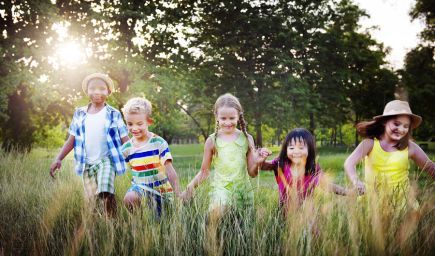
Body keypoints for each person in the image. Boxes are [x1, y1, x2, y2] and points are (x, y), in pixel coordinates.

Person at [181, 93, 269, 253]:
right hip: (221, 190)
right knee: (216, 217)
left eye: (231, 118)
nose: (227, 122)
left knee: (242, 234)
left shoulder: (247, 139)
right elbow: (204, 172)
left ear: (238, 116)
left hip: (243, 191)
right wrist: (189, 188)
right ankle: (213, 248)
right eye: (223, 118)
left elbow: (252, 173)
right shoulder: (212, 140)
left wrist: (257, 162)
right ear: (216, 117)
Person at [50, 73, 129, 217]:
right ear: (87, 92)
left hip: (107, 160)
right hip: (86, 163)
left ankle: (112, 222)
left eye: (102, 88)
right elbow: (71, 140)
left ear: (108, 92)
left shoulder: (114, 114)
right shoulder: (79, 114)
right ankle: (96, 223)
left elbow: (125, 138)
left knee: (105, 191)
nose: (97, 92)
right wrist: (58, 158)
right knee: (91, 201)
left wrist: (135, 156)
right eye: (92, 88)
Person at [344, 100, 435, 206]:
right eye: (396, 124)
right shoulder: (370, 144)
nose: (401, 129)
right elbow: (349, 163)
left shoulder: (410, 147)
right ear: (384, 122)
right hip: (373, 204)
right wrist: (356, 181)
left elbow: (430, 168)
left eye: (406, 126)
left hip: (402, 204)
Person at [260, 128, 349, 215]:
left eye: (301, 147)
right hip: (284, 211)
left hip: (306, 212)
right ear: (285, 149)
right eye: (291, 148)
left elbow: (327, 185)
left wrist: (347, 192)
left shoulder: (313, 168)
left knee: (313, 228)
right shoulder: (281, 163)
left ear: (309, 149)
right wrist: (261, 157)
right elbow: (262, 166)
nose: (296, 151)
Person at [121, 97, 182, 217]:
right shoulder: (126, 149)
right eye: (130, 124)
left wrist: (178, 194)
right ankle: (138, 223)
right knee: (130, 198)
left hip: (161, 192)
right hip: (140, 188)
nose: (134, 128)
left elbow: (169, 170)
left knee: (159, 223)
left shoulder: (158, 143)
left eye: (139, 124)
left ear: (149, 122)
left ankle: (155, 218)